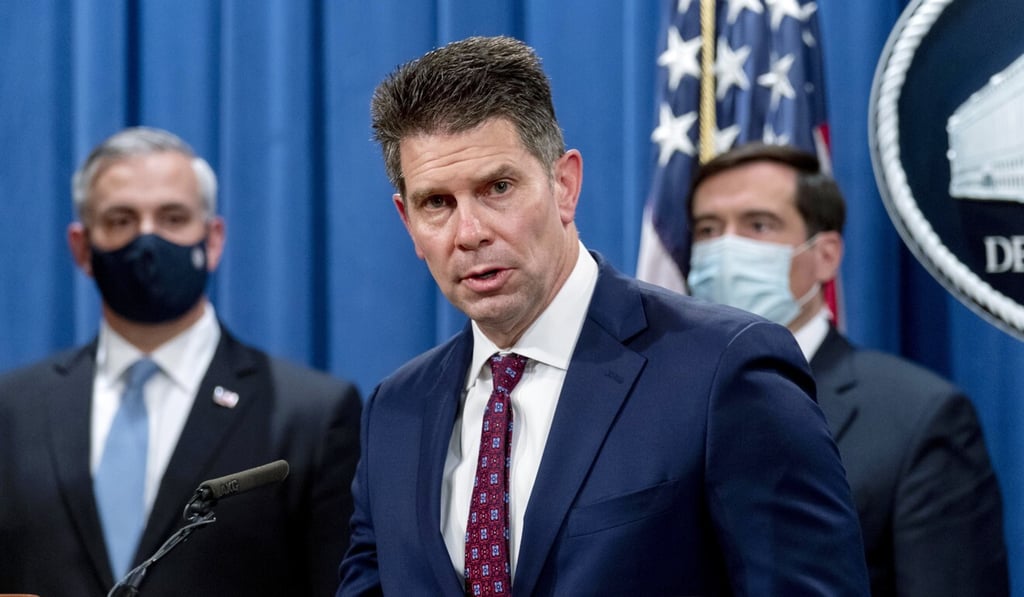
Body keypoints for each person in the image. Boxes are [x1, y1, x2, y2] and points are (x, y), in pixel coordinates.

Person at [337, 36, 869, 596]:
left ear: (564, 186)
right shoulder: (396, 410)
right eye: (436, 203)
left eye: (497, 187)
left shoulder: (722, 371)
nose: (470, 234)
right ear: (407, 221)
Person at [0, 127, 362, 597]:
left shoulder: (312, 414)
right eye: (120, 220)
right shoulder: (14, 410)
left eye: (172, 218)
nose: (147, 241)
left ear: (212, 240)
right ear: (82, 248)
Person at [686, 141, 1009, 597]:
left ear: (826, 255)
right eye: (708, 229)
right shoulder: (657, 400)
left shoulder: (918, 418)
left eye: (759, 225)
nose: (726, 249)